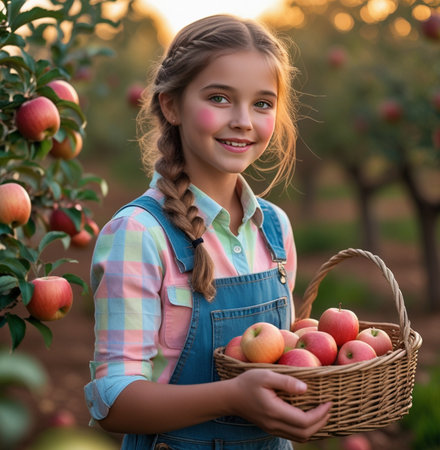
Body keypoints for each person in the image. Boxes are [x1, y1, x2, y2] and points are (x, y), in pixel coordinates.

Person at [84, 14, 331, 449]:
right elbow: (114, 403)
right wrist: (232, 398)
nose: (242, 120)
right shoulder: (140, 233)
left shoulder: (274, 228)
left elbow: (281, 355)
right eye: (219, 98)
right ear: (171, 105)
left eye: (262, 103)